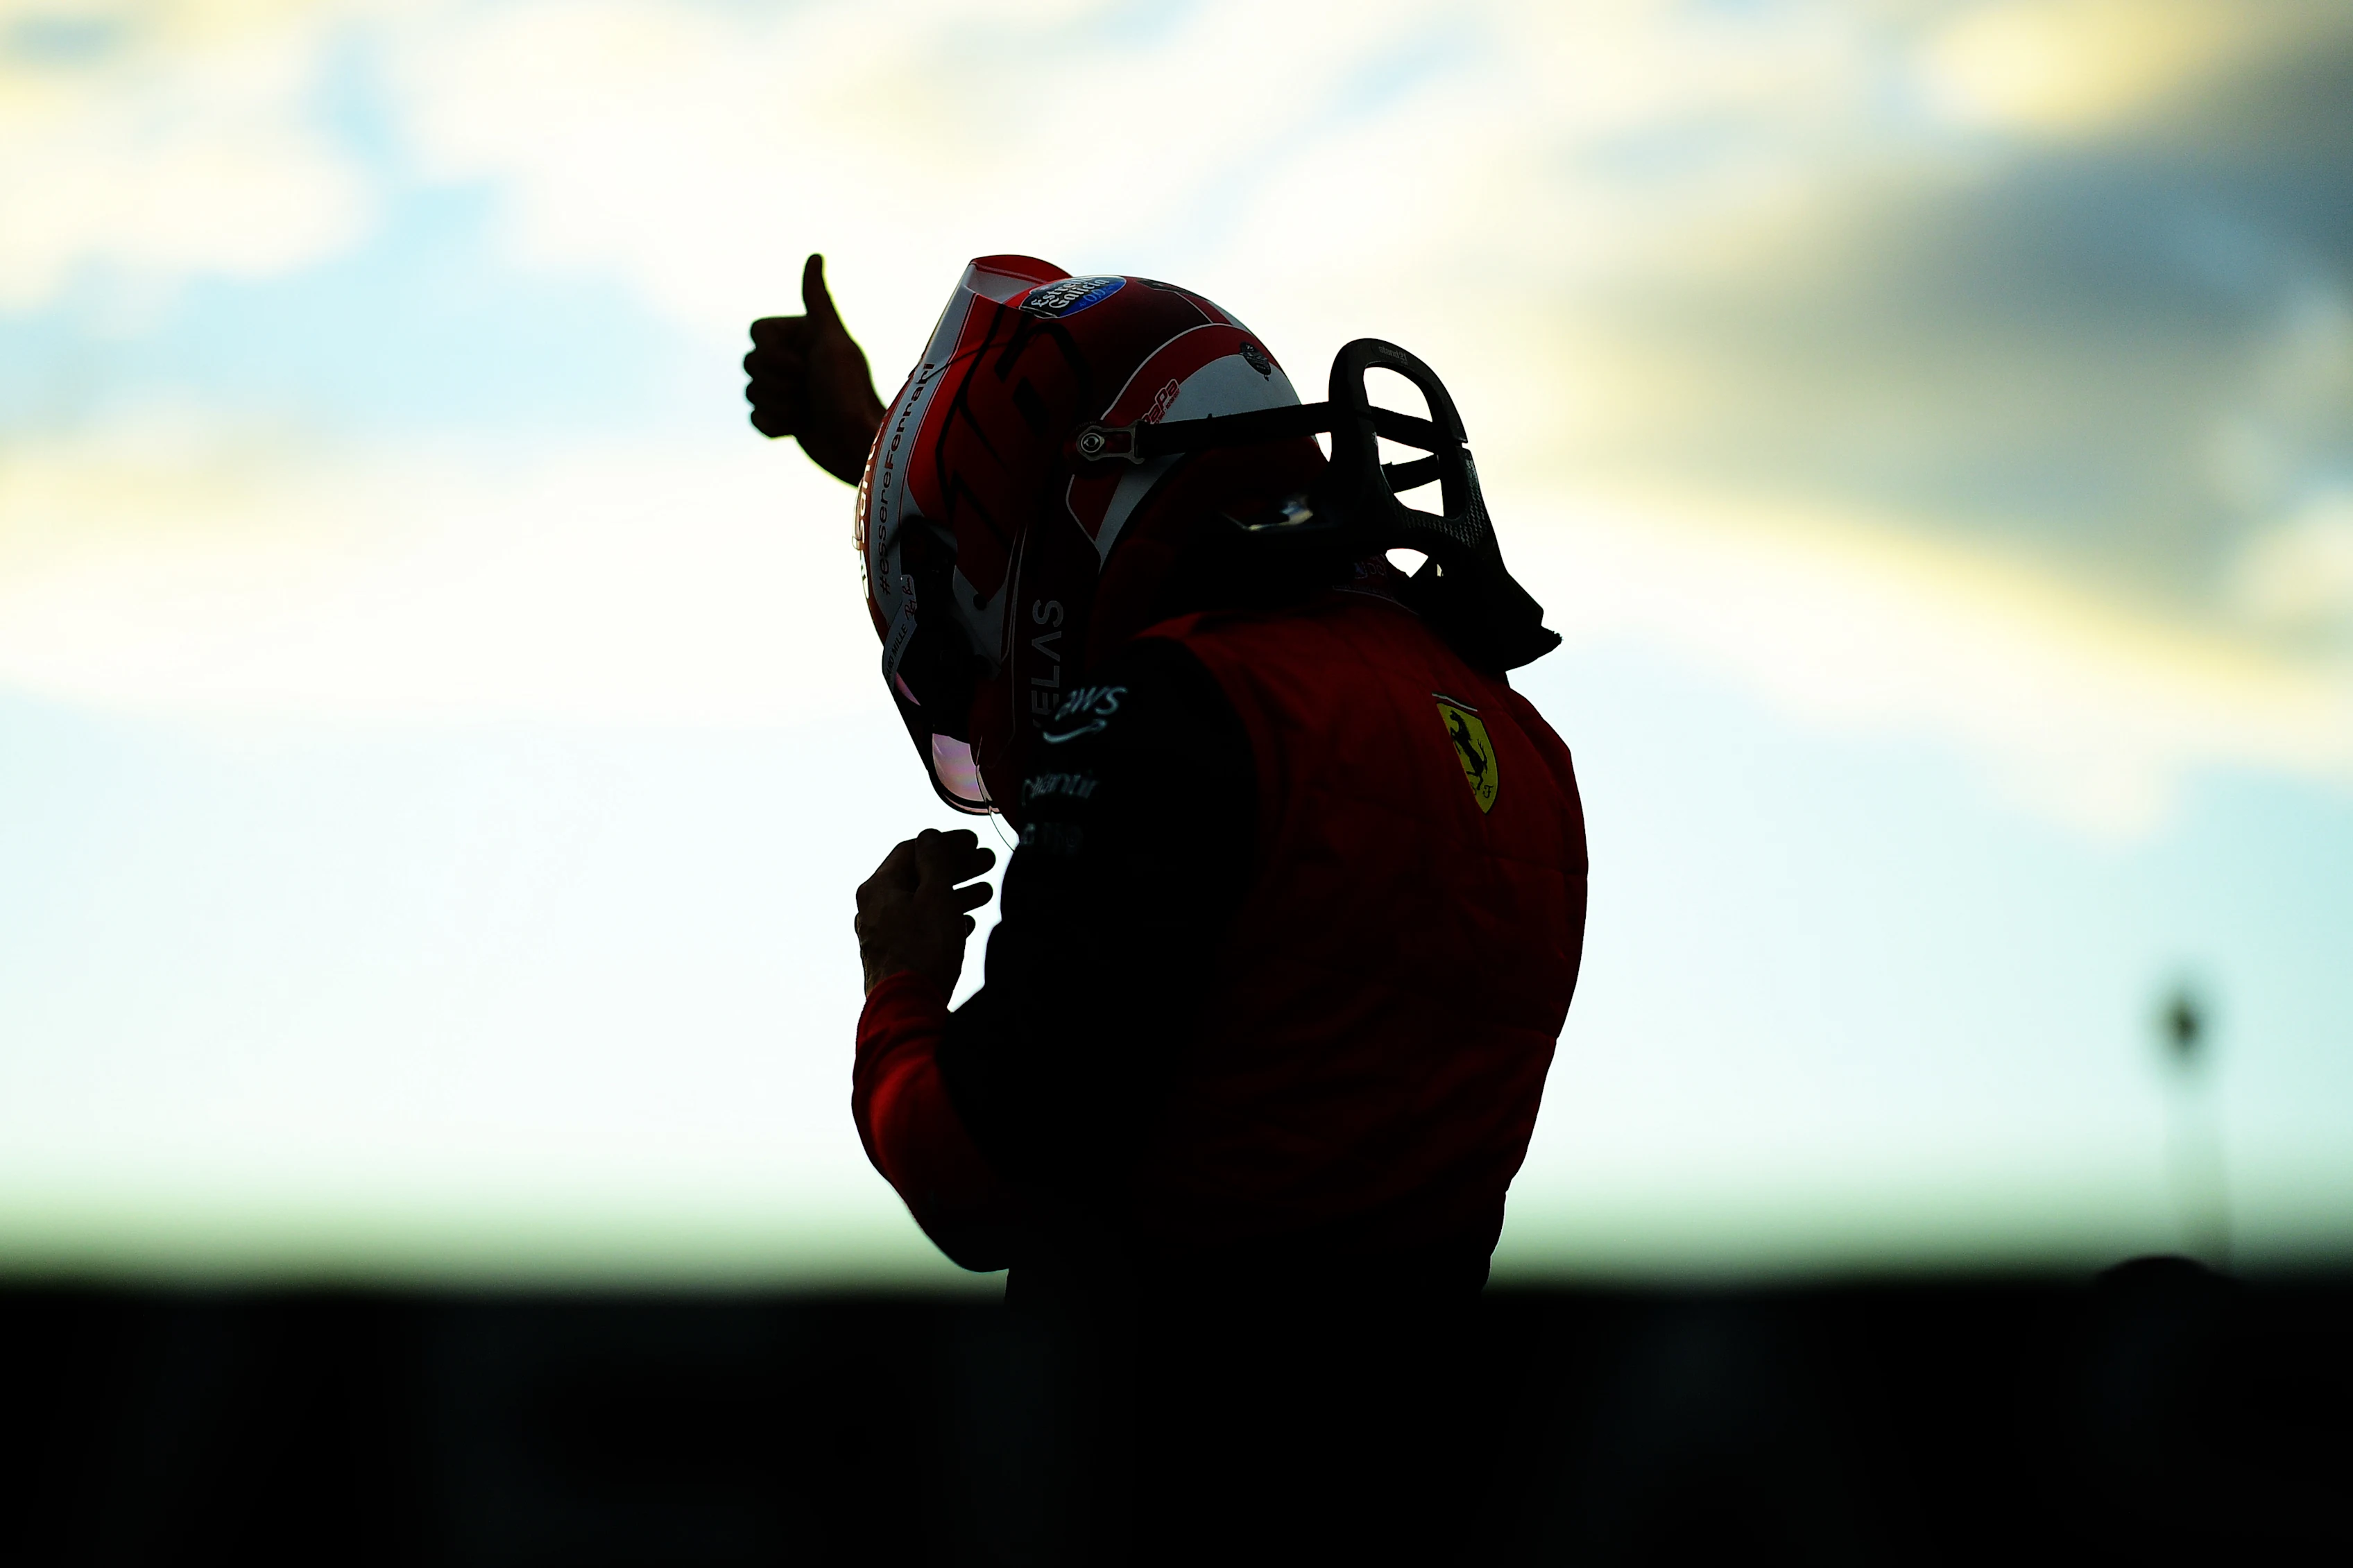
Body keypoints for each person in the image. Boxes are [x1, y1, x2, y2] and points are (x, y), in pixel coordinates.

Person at [747, 254, 1589, 1562]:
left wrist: (900, 984)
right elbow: (1256, 876)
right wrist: (872, 450)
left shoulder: (1172, 718)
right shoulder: (1507, 737)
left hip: (1163, 1467)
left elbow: (976, 1171)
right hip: (1414, 1473)